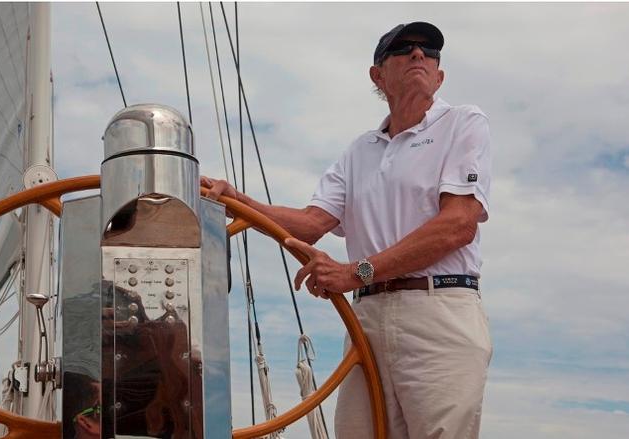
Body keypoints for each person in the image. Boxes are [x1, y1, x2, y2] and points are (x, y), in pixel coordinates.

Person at [202, 21, 492, 439]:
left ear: (439, 75)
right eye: (404, 49)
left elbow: (457, 226)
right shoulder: (360, 151)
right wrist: (239, 201)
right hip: (368, 316)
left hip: (439, 310)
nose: (418, 55)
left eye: (428, 52)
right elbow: (312, 223)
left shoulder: (463, 123)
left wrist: (355, 272)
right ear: (378, 75)